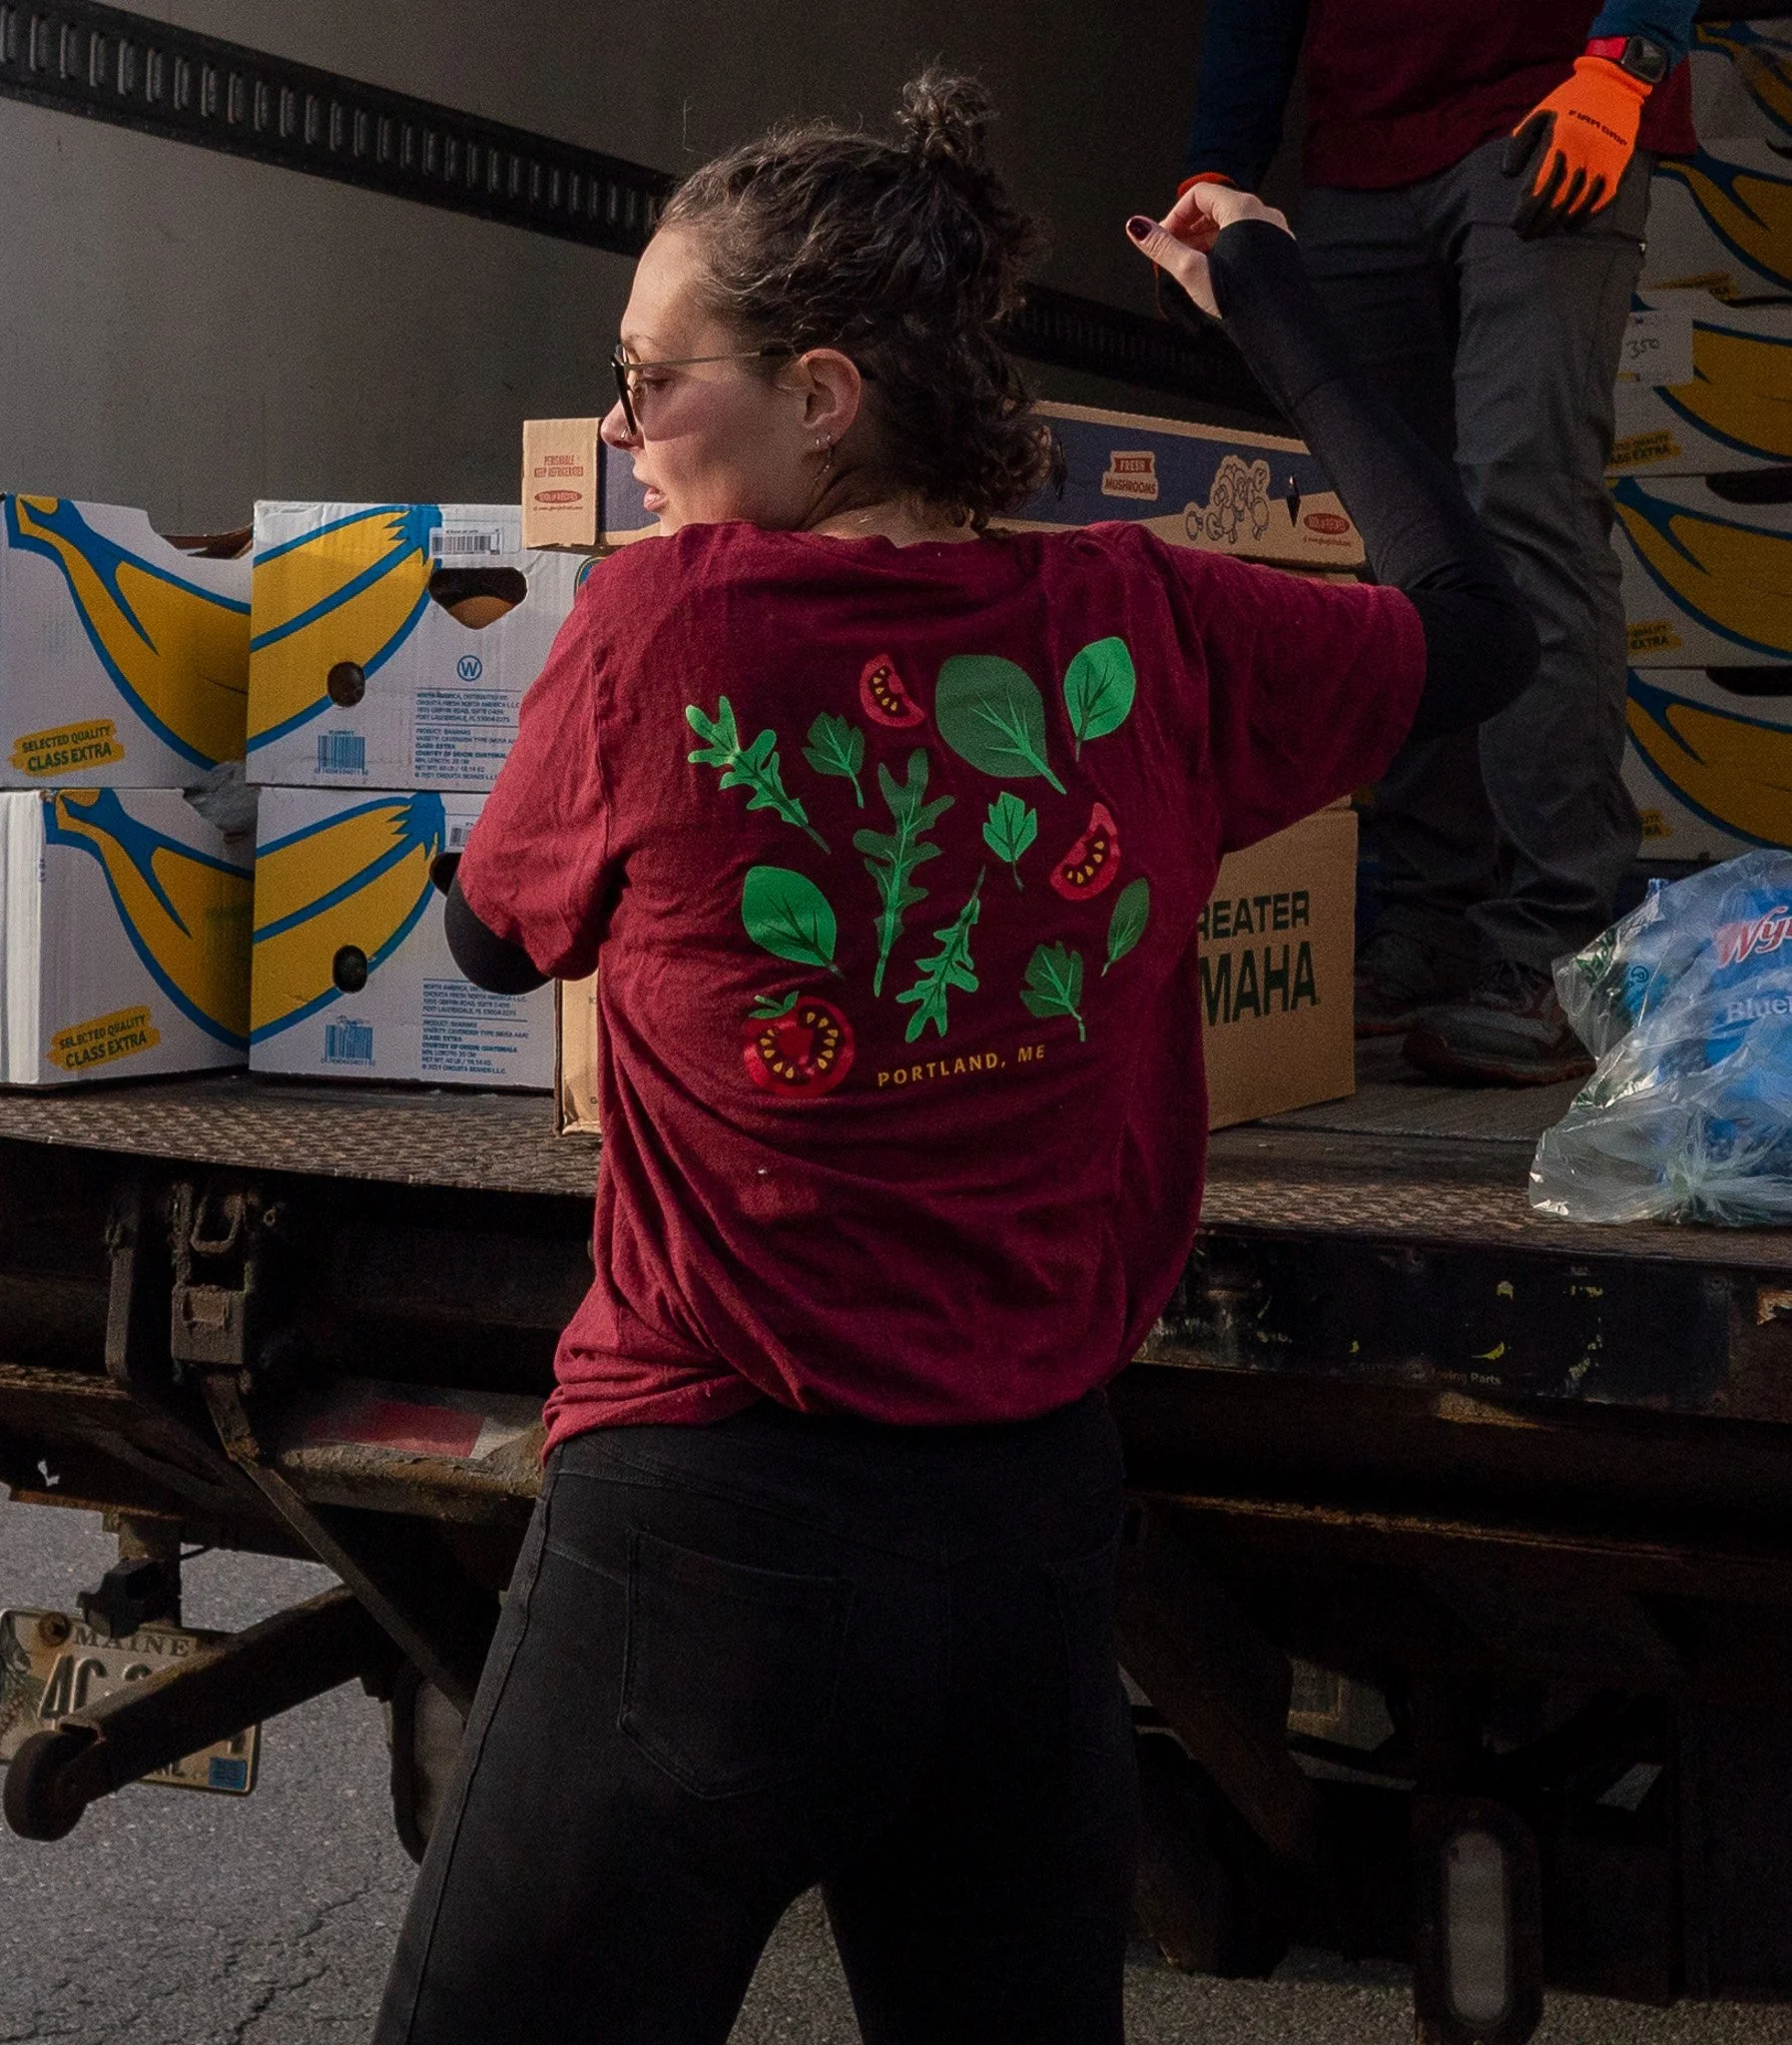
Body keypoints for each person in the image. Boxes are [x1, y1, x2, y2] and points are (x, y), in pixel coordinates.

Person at [372, 74, 1535, 2045]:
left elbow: (494, 939)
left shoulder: (660, 630)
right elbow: (1476, 627)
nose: (624, 430)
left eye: (651, 381)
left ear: (821, 396)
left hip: (701, 1545)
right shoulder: (1155, 627)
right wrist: (1271, 303)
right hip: (1029, 1557)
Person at [1185, 0, 1700, 1084]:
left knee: (1523, 503)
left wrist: (1627, 62)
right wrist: (1216, 165)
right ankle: (1430, 916)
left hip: (1549, 105)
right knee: (1393, 533)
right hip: (1359, 156)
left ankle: (1558, 947)